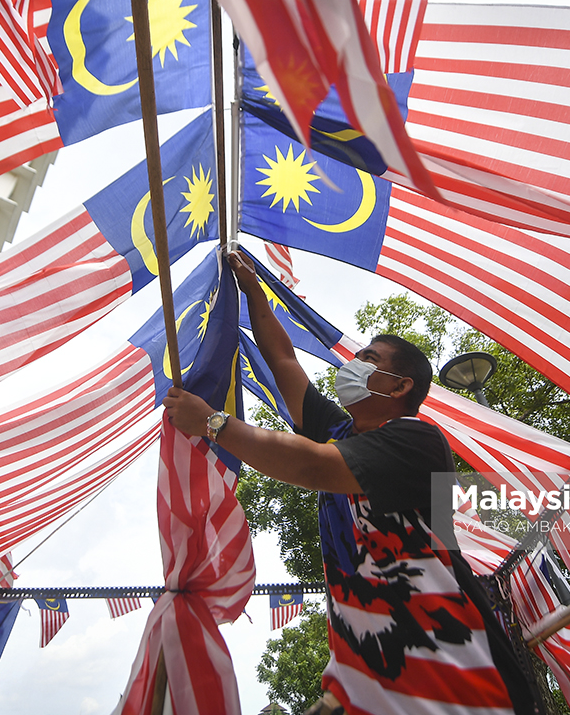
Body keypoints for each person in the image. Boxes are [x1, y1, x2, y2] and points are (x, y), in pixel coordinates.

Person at [163, 251, 538, 715]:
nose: (353, 365)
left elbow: (313, 466)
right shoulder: (341, 432)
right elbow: (283, 362)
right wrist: (253, 292)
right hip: (369, 679)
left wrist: (214, 424)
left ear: (399, 387)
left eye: (369, 359)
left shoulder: (418, 442)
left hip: (453, 676)